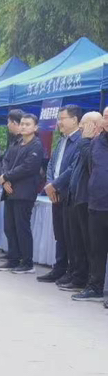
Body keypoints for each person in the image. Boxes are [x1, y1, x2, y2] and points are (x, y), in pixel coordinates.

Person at [46, 105, 89, 292]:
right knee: (60, 234)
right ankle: (60, 268)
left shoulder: (80, 140)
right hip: (55, 193)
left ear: (75, 120)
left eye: (62, 118)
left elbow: (73, 168)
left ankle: (73, 272)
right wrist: (50, 183)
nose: (59, 122)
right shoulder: (61, 140)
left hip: (69, 194)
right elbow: (51, 164)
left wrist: (55, 185)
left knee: (71, 237)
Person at [0, 113, 43, 273]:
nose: (23, 126)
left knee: (22, 228)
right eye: (22, 123)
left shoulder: (36, 145)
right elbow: (6, 161)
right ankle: (13, 259)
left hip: (24, 192)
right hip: (9, 190)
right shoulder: (17, 143)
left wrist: (6, 177)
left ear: (35, 127)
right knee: (9, 227)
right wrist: (4, 179)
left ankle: (27, 263)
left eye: (27, 124)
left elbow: (28, 167)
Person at [70, 109, 107, 301]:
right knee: (96, 249)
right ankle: (95, 287)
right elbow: (90, 168)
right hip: (96, 204)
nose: (107, 120)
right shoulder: (96, 143)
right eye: (106, 116)